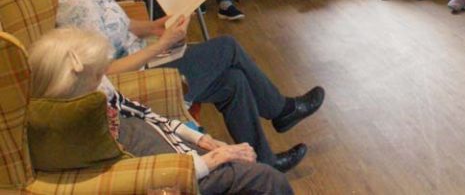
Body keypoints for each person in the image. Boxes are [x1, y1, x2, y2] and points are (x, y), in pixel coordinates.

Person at [36, 0, 325, 173]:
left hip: (144, 62)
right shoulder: (73, 1)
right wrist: (162, 44)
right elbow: (103, 72)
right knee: (227, 47)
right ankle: (282, 110)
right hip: (133, 83)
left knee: (233, 81)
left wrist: (155, 26)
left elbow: (120, 27)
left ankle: (265, 162)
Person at [28, 27, 293, 194]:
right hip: (183, 174)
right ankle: (282, 113)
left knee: (233, 82)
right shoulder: (89, 137)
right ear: (76, 96)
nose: (107, 82)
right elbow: (143, 177)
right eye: (99, 76)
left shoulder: (101, 98)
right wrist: (213, 159)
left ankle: (279, 119)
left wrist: (198, 138)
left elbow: (143, 113)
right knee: (268, 181)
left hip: (183, 152)